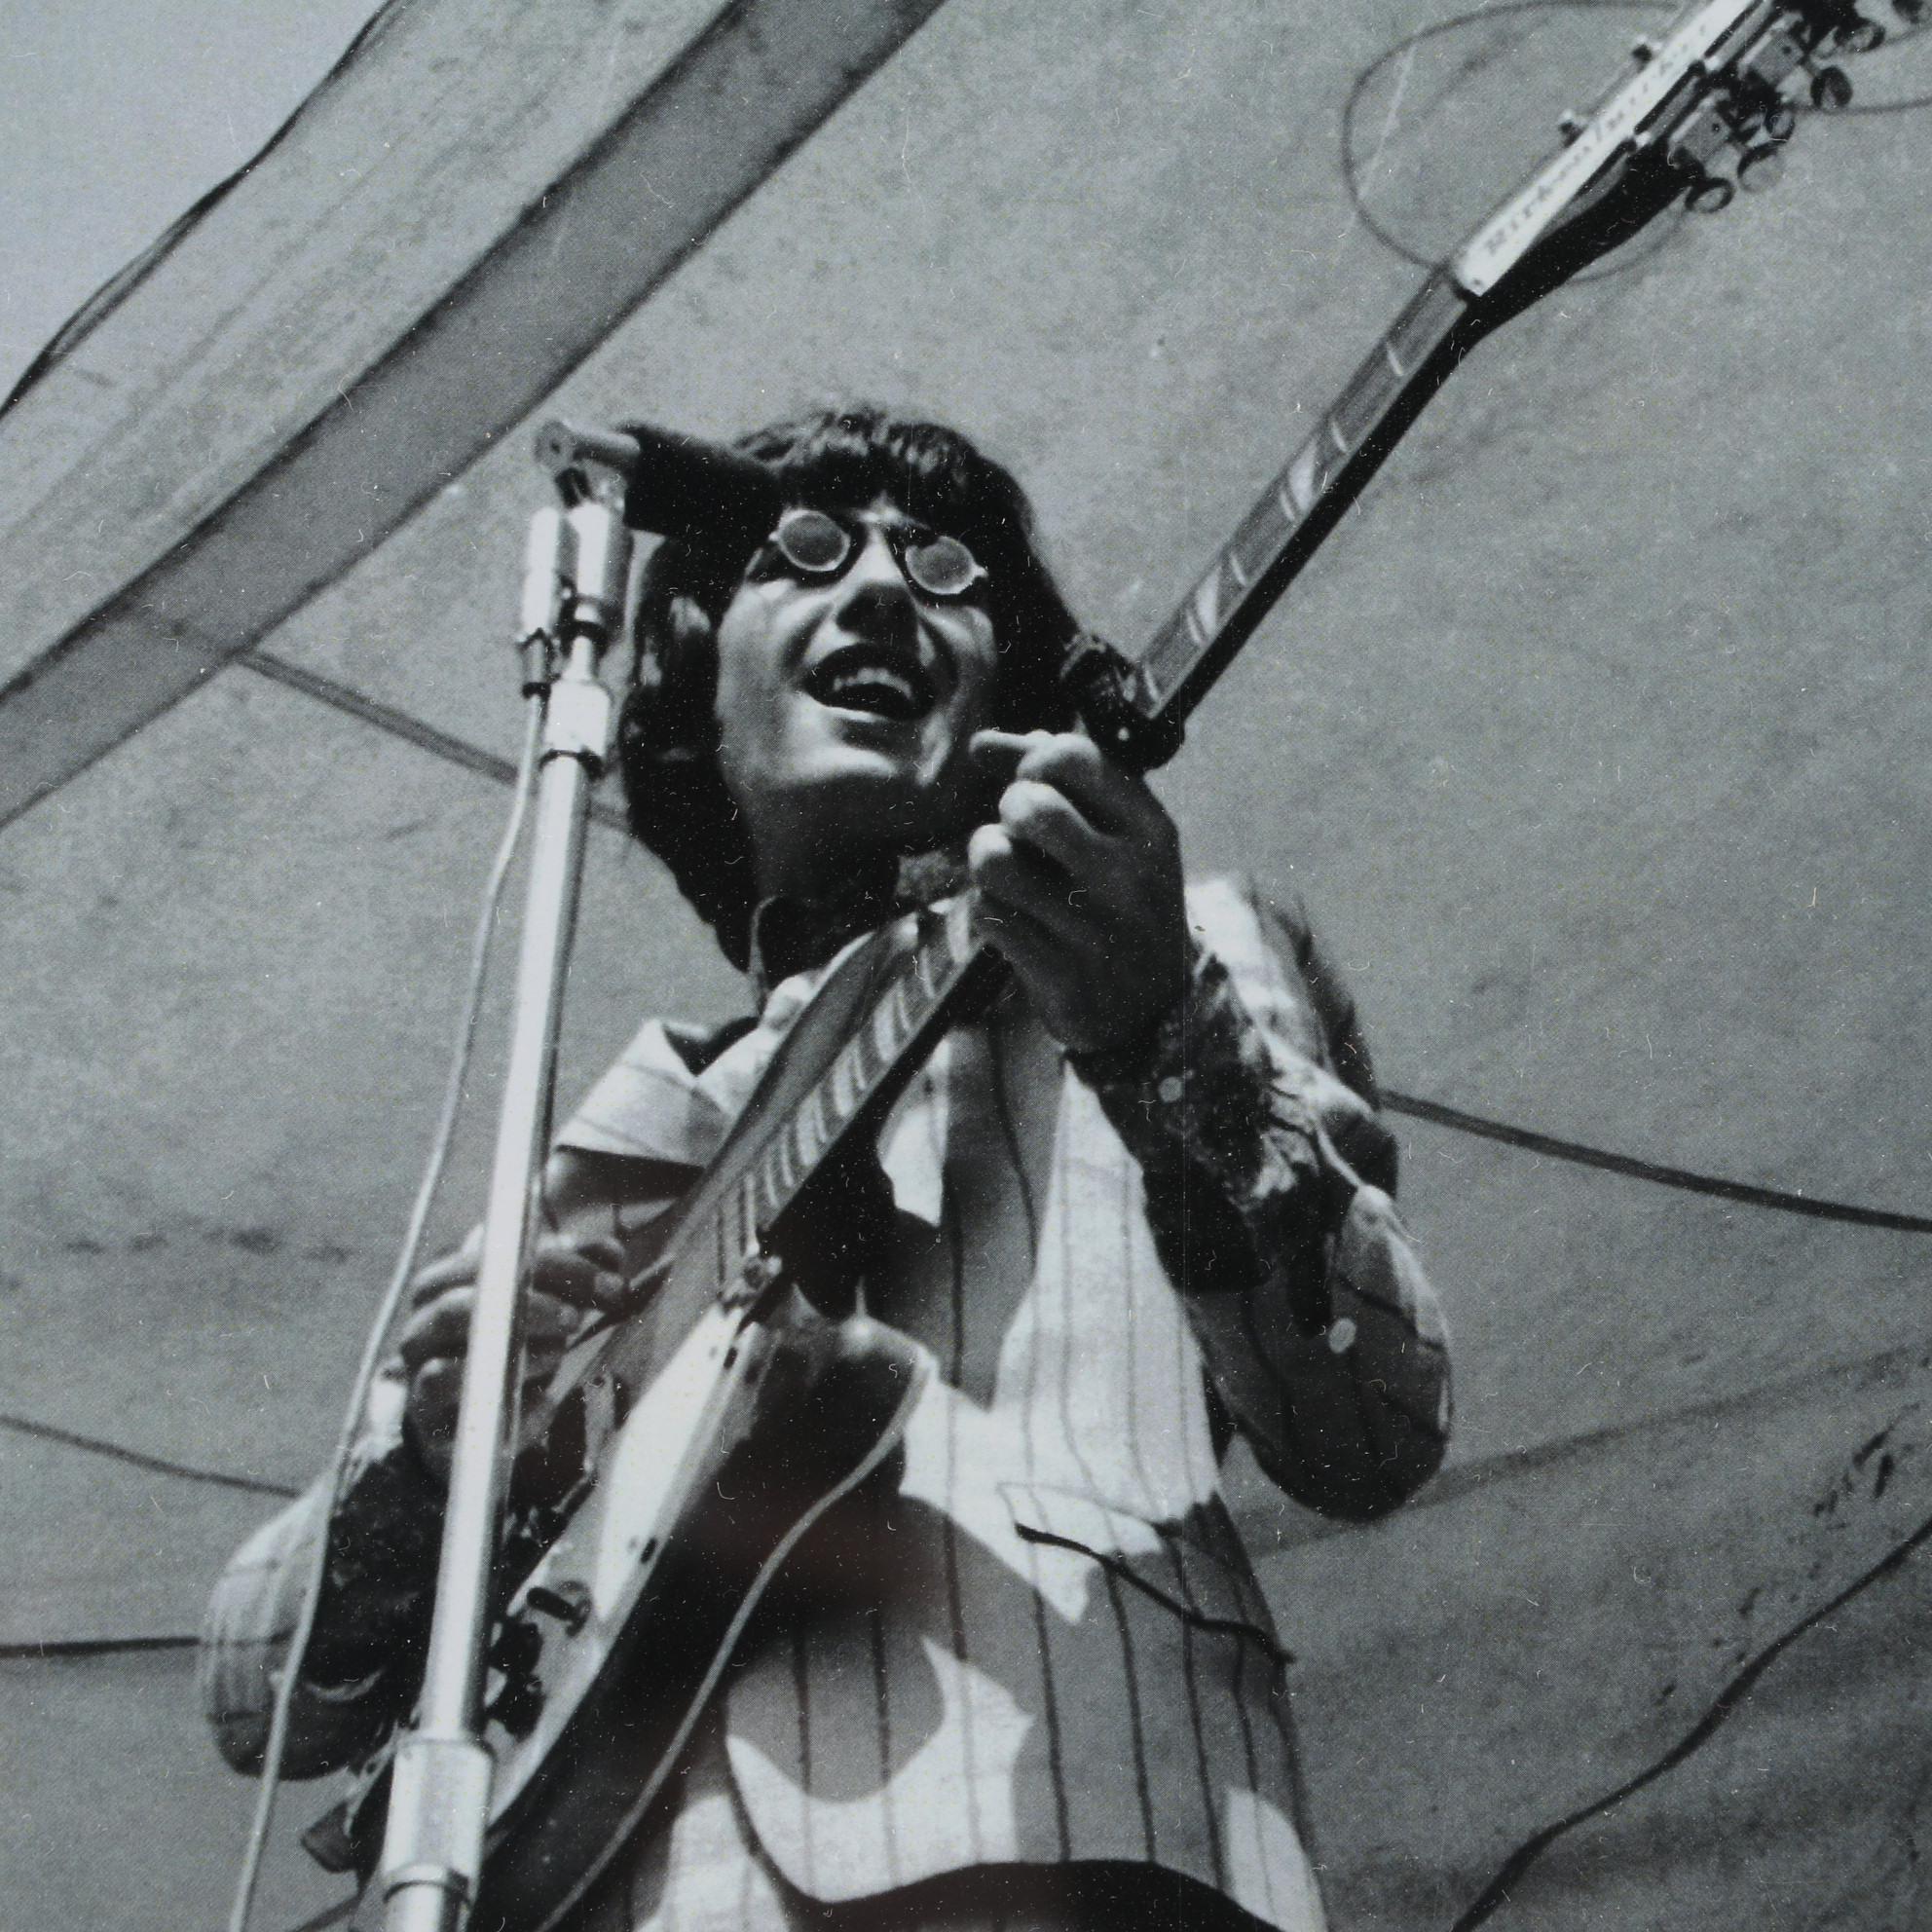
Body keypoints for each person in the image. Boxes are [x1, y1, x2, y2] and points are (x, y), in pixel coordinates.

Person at [202, 404, 1451, 1932]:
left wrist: (1151, 1032)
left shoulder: (1161, 948)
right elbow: (254, 1692)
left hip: (1062, 1846)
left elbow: (1372, 1416)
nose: (876, 590)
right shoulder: (636, 1136)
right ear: (689, 683)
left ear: (1018, 694)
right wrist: (430, 1460)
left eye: (943, 567)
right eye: (803, 553)